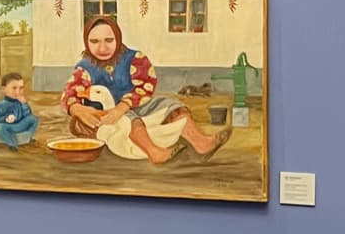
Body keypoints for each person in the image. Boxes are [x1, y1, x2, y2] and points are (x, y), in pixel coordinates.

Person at [62, 15, 227, 165]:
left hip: (135, 106)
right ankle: (154, 152)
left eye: (109, 40)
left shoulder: (134, 58)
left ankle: (200, 142)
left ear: (118, 38)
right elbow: (70, 92)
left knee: (171, 104)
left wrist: (122, 107)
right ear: (86, 42)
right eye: (94, 42)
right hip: (103, 117)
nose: (102, 48)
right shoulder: (85, 67)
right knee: (126, 119)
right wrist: (78, 108)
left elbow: (146, 85)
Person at [0, 72, 38, 149]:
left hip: (20, 125)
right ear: (4, 89)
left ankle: (27, 137)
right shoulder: (0, 105)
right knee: (0, 127)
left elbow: (27, 115)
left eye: (21, 88)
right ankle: (12, 144)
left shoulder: (20, 102)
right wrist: (6, 119)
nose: (18, 92)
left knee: (33, 119)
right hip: (9, 127)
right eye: (14, 88)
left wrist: (24, 104)